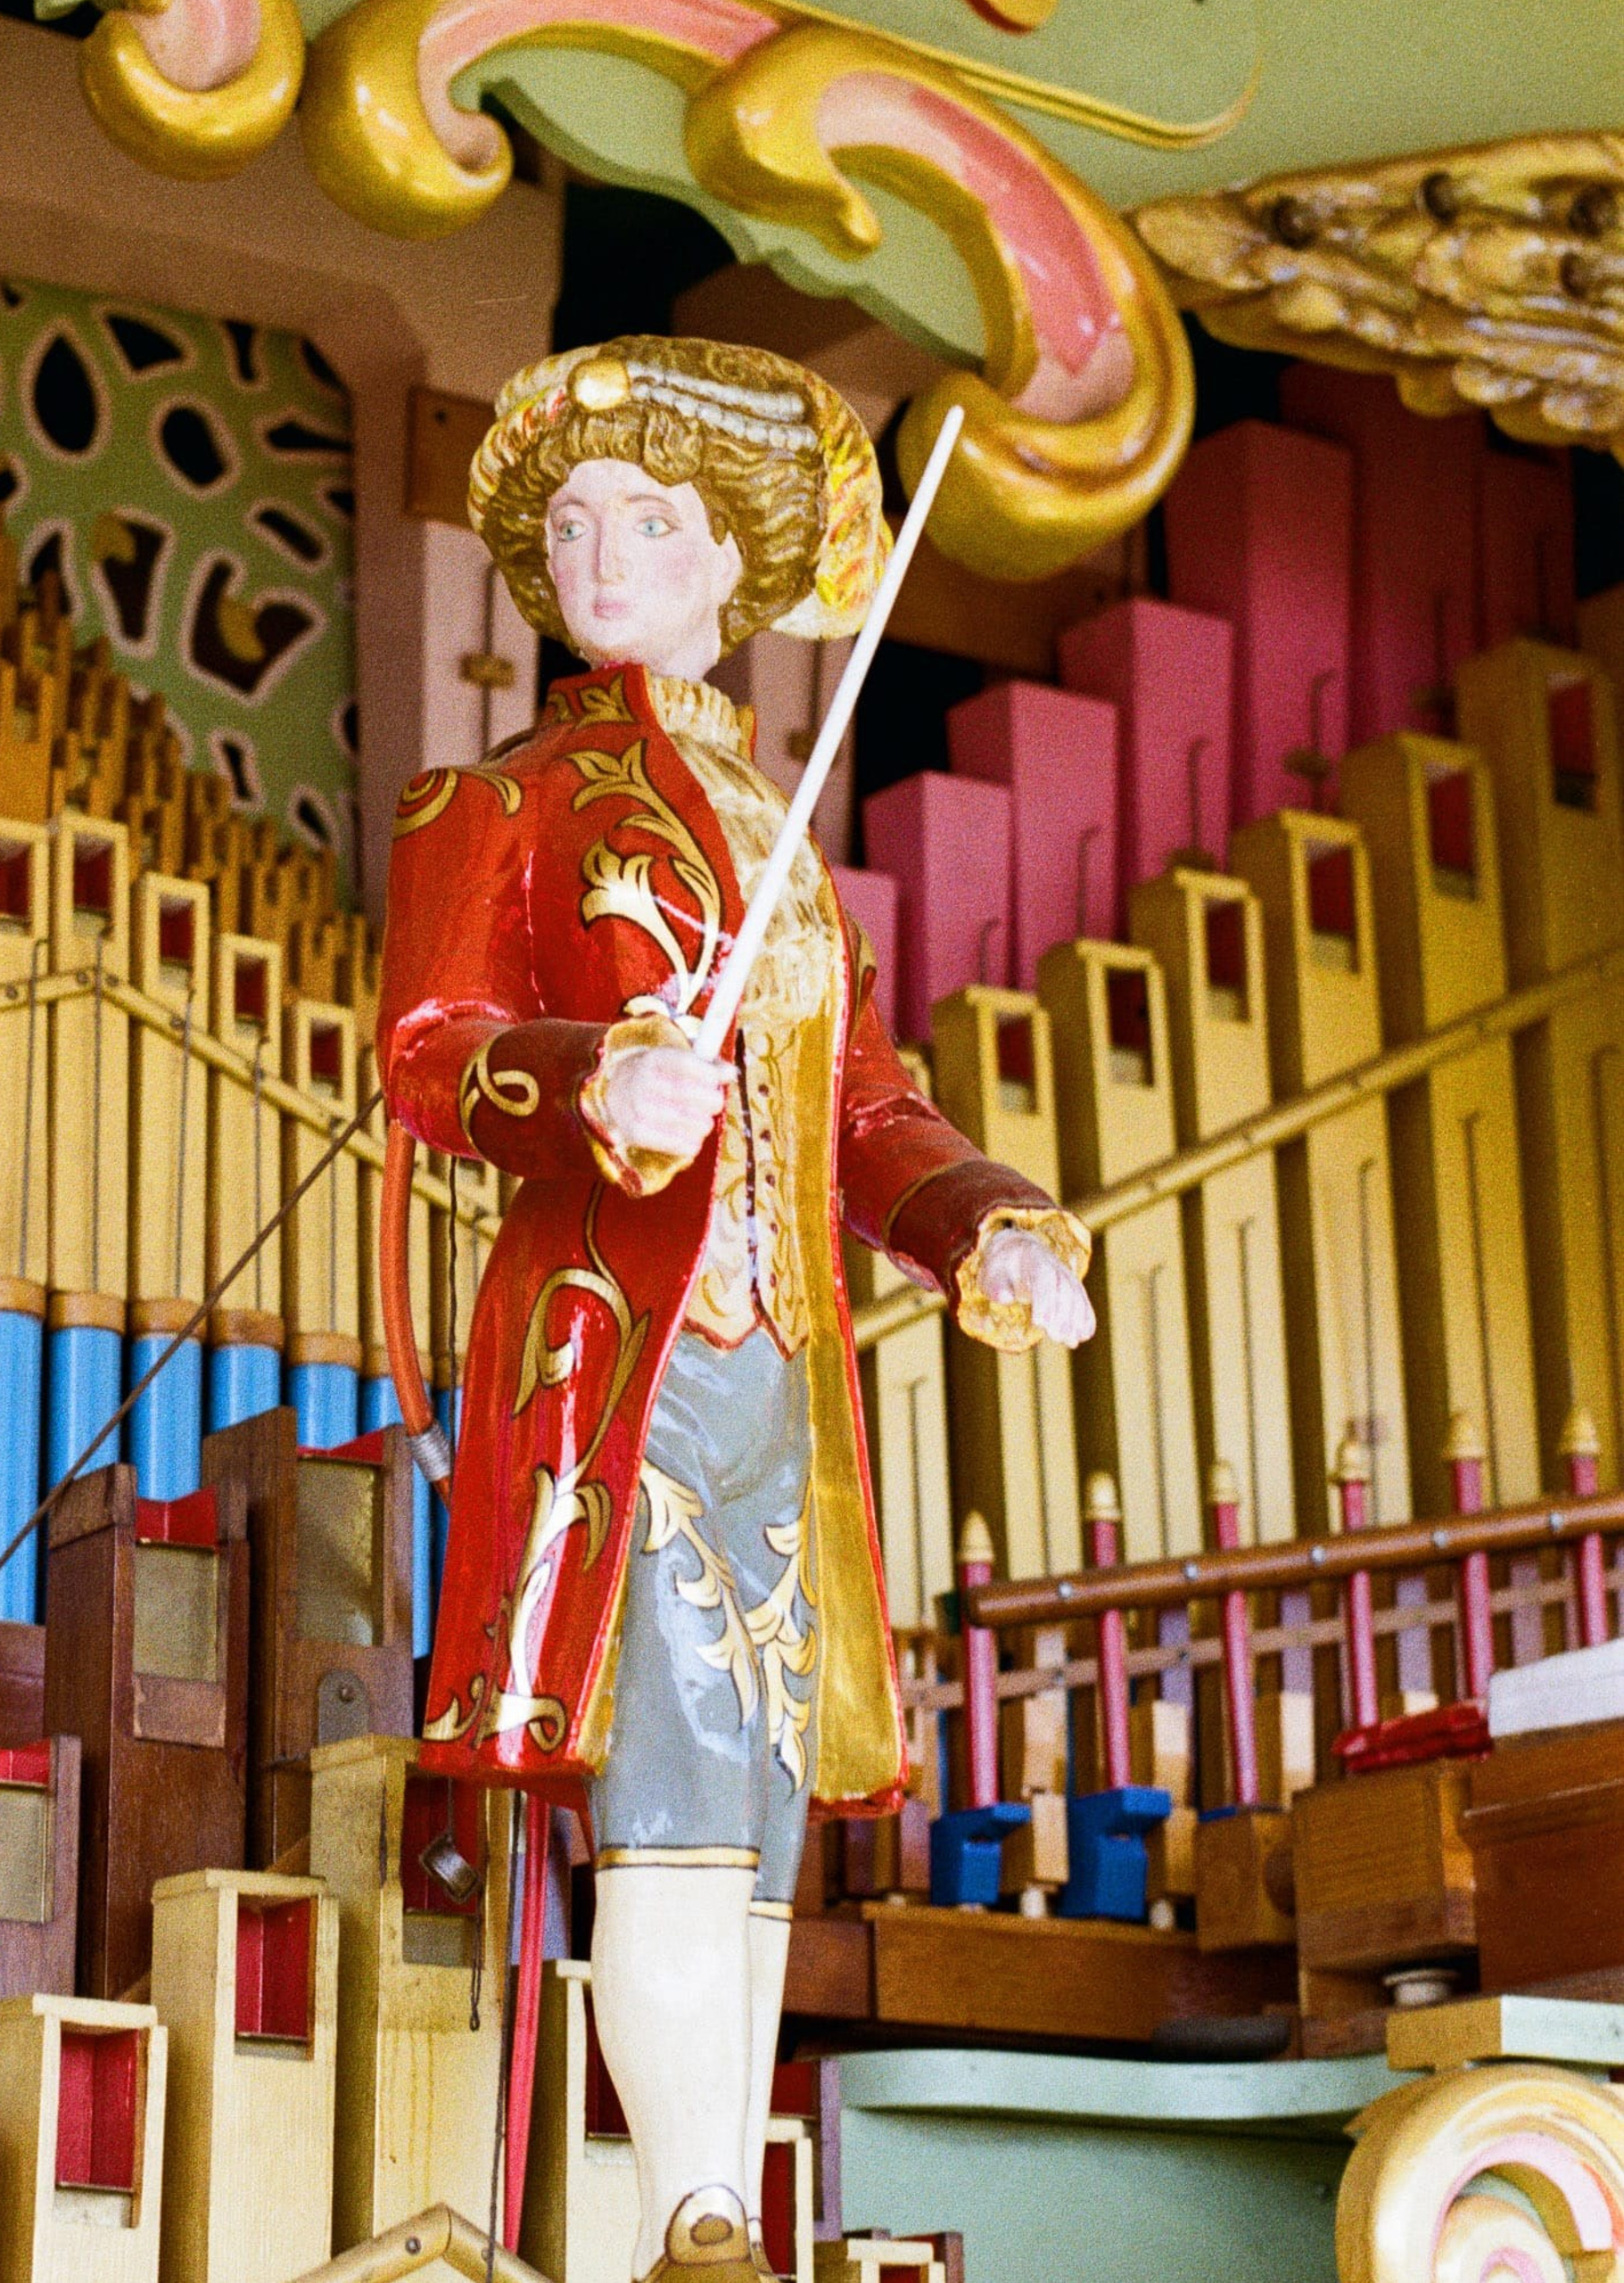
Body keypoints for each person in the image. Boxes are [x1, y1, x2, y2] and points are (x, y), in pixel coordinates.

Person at [377, 335, 1094, 2282]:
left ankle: (708, 2195)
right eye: (574, 523)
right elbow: (430, 1055)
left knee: (758, 1814)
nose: (603, 551)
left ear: (724, 569)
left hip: (781, 1371)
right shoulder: (506, 798)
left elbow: (859, 1105)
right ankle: (694, 2215)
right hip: (616, 1362)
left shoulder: (787, 865)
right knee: (677, 1776)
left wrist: (984, 1227)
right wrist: (586, 1077)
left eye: (650, 521)